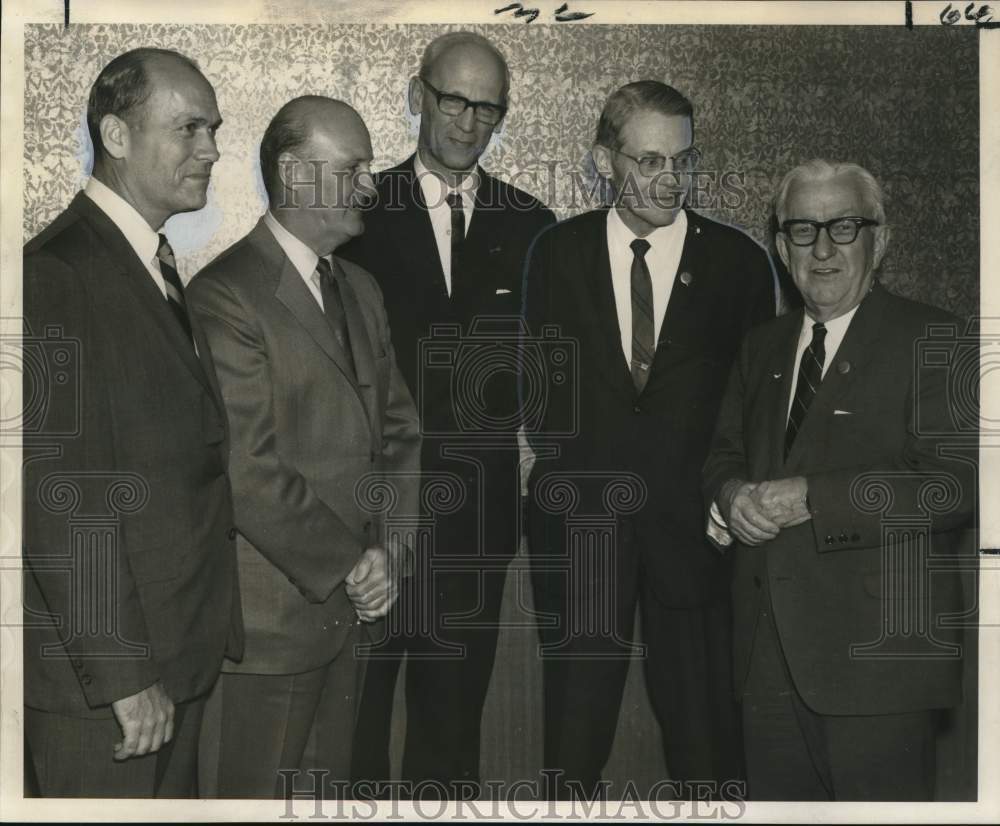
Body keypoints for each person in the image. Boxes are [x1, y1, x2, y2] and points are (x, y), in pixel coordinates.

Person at [522, 80, 776, 799]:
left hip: (697, 543)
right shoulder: (556, 254)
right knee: (571, 751)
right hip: (582, 538)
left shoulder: (738, 264)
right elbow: (541, 389)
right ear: (605, 161)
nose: (672, 179)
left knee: (708, 751)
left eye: (685, 160)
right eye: (650, 160)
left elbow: (756, 412)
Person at [702, 159, 975, 800]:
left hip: (879, 669)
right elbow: (722, 454)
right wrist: (730, 495)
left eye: (844, 227)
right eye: (802, 230)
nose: (822, 249)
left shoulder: (936, 337)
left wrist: (812, 498)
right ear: (779, 245)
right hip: (765, 661)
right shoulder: (761, 346)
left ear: (879, 240)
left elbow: (955, 483)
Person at [22, 47, 242, 797]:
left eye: (212, 129)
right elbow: (58, 495)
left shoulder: (147, 258)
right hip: (113, 690)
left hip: (173, 657)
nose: (210, 149)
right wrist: (123, 674)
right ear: (116, 136)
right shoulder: (54, 272)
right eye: (188, 129)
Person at [338, 31, 555, 795]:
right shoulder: (358, 217)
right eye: (453, 100)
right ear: (417, 94)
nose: (467, 121)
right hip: (373, 523)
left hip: (478, 523)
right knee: (353, 729)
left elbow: (548, 375)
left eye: (486, 107)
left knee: (451, 735)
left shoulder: (532, 225)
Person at [186, 96, 421, 798]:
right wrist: (354, 563)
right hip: (271, 637)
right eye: (352, 168)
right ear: (294, 174)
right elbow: (247, 468)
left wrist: (392, 552)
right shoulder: (225, 296)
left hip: (353, 620)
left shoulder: (362, 288)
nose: (370, 186)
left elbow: (401, 433)